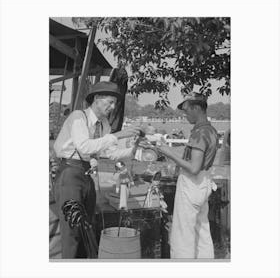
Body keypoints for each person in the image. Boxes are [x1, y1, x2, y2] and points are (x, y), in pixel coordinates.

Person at [52, 81, 142, 258]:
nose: (113, 107)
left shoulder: (104, 125)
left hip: (86, 176)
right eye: (110, 102)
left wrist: (133, 148)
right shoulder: (78, 117)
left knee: (87, 227)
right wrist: (117, 135)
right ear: (97, 99)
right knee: (72, 231)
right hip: (69, 174)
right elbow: (84, 147)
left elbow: (112, 153)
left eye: (115, 103)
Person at [156, 91, 219, 259]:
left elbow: (193, 167)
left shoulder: (200, 133)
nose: (185, 114)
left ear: (197, 108)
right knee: (201, 231)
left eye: (187, 110)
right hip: (204, 182)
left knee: (182, 236)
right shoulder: (210, 130)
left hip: (192, 183)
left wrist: (168, 151)